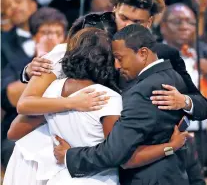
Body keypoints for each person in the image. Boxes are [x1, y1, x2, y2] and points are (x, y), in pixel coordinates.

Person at [3, 27, 188, 185]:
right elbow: (123, 159)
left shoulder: (51, 92)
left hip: (61, 178)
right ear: (107, 60)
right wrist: (171, 146)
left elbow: (14, 131)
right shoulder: (107, 97)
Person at [19, 0, 207, 121]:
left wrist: (183, 101)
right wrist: (28, 72)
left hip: (138, 149)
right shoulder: (89, 44)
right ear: (114, 10)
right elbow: (41, 86)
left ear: (150, 22)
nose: (127, 26)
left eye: (137, 22)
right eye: (123, 18)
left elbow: (201, 105)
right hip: (84, 139)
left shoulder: (164, 54)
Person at [55, 24, 191, 185]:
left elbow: (116, 153)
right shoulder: (172, 76)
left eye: (120, 58)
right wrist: (171, 147)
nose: (117, 66)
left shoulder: (143, 91)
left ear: (143, 53)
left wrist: (69, 156)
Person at [1, 7, 68, 168]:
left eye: (57, 33)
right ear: (34, 37)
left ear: (65, 38)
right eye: (45, 33)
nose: (51, 38)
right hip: (20, 132)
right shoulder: (19, 65)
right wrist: (35, 70)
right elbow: (8, 96)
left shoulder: (72, 67)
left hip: (60, 131)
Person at [1, 0, 37, 69]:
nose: (13, 6)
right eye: (7, 6)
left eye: (18, 1)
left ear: (33, 5)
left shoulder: (57, 33)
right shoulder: (2, 43)